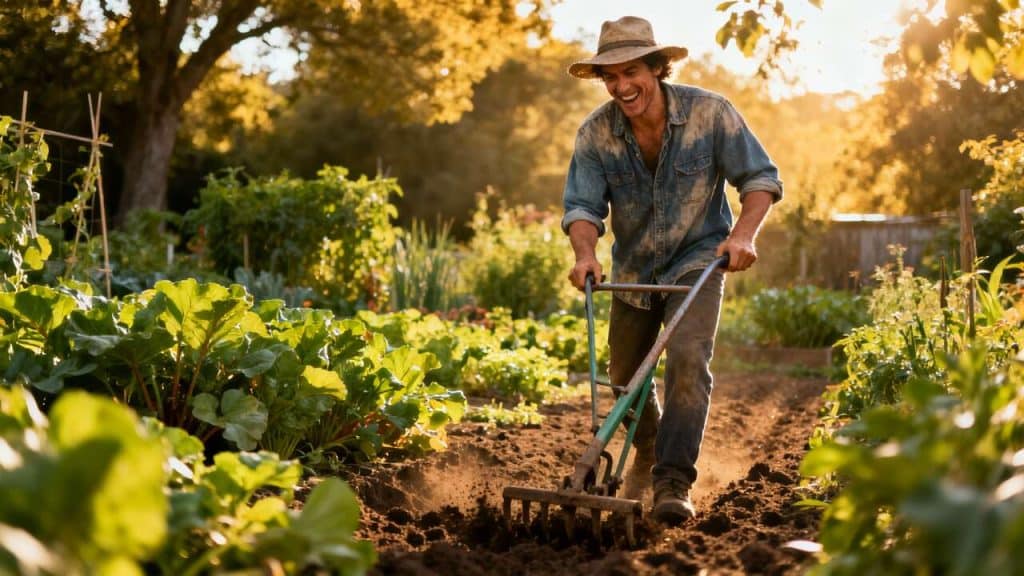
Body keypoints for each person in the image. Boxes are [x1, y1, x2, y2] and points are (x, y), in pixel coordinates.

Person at [561, 16, 782, 526]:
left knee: (686, 358)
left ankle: (672, 481)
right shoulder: (596, 133)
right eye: (610, 77)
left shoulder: (711, 113)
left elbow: (760, 179)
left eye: (631, 71)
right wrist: (585, 255)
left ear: (657, 68)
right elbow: (582, 208)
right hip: (633, 270)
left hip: (698, 261)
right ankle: (651, 444)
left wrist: (743, 235)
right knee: (623, 378)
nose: (621, 86)